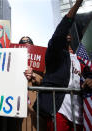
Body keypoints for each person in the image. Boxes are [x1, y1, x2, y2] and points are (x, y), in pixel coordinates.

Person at [34, 0, 91, 130]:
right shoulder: (55, 53)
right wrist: (77, 4)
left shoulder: (81, 61)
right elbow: (61, 30)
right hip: (59, 111)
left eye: (69, 33)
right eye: (65, 33)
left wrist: (89, 80)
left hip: (80, 115)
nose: (67, 34)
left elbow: (89, 75)